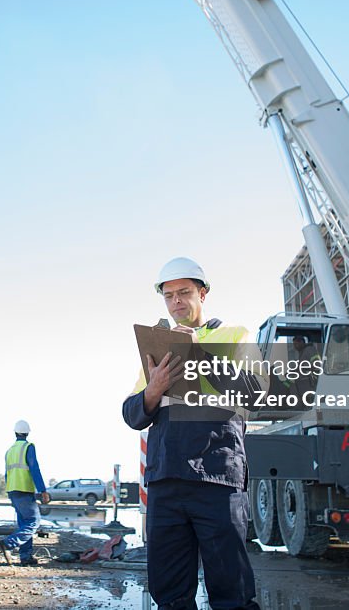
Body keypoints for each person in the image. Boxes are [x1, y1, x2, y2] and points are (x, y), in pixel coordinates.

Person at [122, 258, 264, 610]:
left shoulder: (235, 336)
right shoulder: (157, 349)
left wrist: (198, 354)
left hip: (216, 479)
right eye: (168, 296)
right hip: (166, 480)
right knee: (170, 595)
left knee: (232, 592)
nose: (176, 302)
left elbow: (254, 392)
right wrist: (153, 389)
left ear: (203, 293)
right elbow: (131, 413)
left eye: (184, 292)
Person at [0, 420, 50, 566]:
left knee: (23, 524)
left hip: (13, 491)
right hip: (24, 490)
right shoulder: (28, 447)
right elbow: (34, 469)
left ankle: (25, 557)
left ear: (15, 432)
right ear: (27, 433)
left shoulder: (10, 451)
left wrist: (9, 491)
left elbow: (7, 474)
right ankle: (9, 543)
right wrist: (43, 490)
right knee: (34, 521)